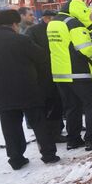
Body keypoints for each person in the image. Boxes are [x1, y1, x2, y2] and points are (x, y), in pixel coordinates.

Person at [0, 9, 59, 169]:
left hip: (2, 93)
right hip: (28, 89)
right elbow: (43, 60)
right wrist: (37, 80)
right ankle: (49, 155)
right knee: (38, 123)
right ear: (14, 24)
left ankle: (16, 159)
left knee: (10, 127)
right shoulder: (22, 40)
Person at [48, 0, 92, 151]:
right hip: (79, 73)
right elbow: (85, 48)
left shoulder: (54, 22)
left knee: (72, 107)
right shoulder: (73, 24)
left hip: (60, 74)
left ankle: (73, 139)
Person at [25, 9, 65, 142]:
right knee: (50, 103)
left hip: (53, 72)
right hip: (45, 74)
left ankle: (56, 131)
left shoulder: (35, 31)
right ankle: (51, 134)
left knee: (56, 102)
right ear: (47, 18)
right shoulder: (33, 31)